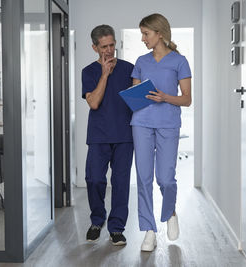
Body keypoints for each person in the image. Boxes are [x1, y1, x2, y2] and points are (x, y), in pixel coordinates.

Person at [131, 13, 192, 252]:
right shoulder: (141, 61)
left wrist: (164, 97)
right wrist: (135, 95)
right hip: (141, 122)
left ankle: (170, 211)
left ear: (160, 33)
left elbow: (186, 100)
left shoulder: (179, 61)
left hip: (168, 123)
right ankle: (149, 231)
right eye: (142, 34)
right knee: (143, 178)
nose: (143, 39)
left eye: (146, 34)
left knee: (165, 179)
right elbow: (135, 95)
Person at [82, 24, 134, 246]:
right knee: (94, 179)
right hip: (99, 135)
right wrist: (104, 75)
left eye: (112, 45)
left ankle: (116, 228)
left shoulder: (129, 68)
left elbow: (138, 100)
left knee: (121, 183)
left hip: (124, 135)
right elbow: (93, 103)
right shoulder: (89, 72)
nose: (109, 50)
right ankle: (97, 219)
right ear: (95, 47)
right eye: (104, 47)